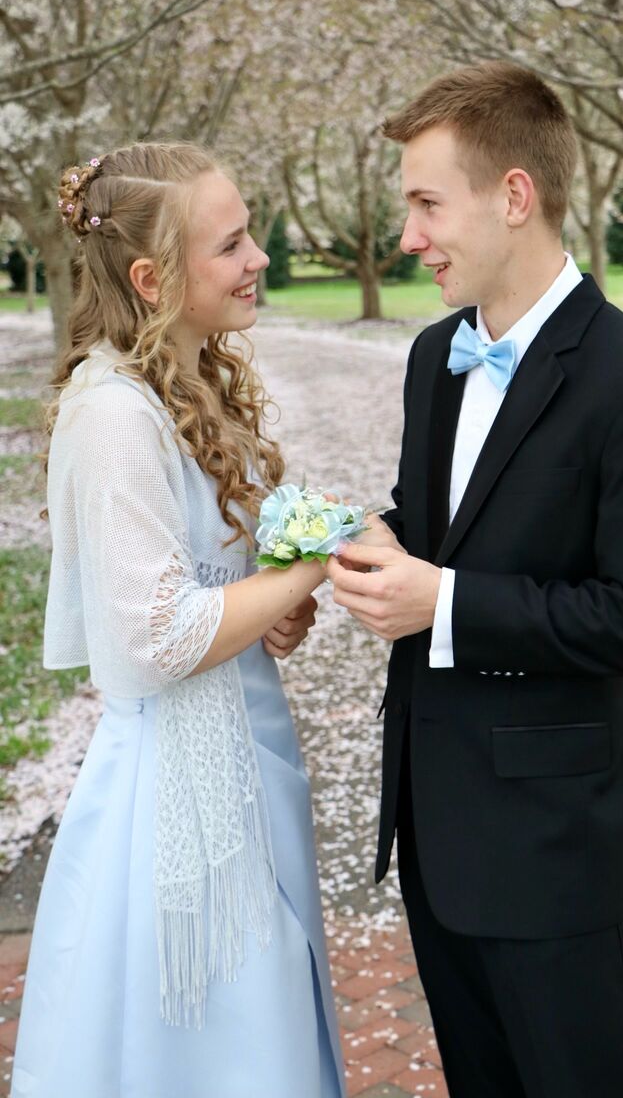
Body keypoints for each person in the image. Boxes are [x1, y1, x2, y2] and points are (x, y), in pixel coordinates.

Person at [328, 62, 623, 1098]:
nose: (408, 237)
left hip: (554, 851)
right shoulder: (430, 358)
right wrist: (374, 545)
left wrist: (441, 602)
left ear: (513, 195)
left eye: (425, 204)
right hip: (435, 830)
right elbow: (451, 523)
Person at [12, 142, 344, 1098]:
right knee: (217, 1033)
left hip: (248, 753)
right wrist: (312, 565)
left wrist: (270, 610)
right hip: (180, 792)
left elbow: (202, 588)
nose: (260, 259)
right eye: (232, 243)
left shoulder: (188, 384)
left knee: (269, 1002)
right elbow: (155, 638)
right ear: (154, 278)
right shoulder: (115, 414)